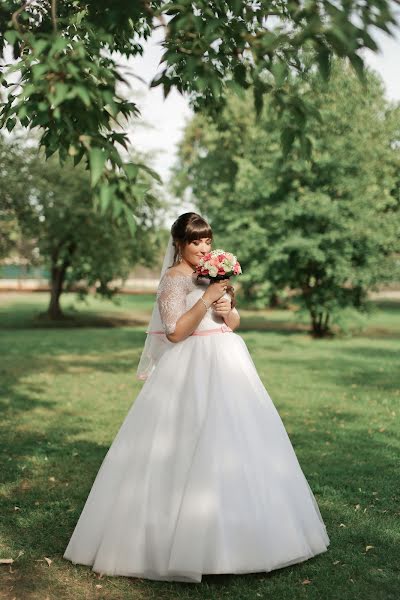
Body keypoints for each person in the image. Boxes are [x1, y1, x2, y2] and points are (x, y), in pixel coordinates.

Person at [63, 212, 330, 583]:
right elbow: (175, 333)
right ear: (178, 243)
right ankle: (174, 540)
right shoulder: (172, 281)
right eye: (195, 242)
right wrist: (206, 299)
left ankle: (246, 537)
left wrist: (226, 308)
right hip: (189, 365)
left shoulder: (212, 272)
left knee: (238, 443)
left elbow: (232, 322)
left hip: (229, 361)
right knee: (185, 444)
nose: (203, 248)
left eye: (207, 241)